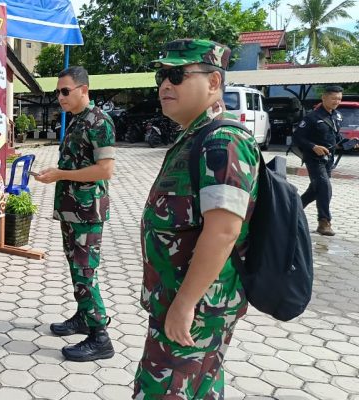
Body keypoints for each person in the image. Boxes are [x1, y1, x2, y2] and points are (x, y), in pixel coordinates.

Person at [133, 39, 260, 399]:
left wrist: (185, 304)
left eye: (177, 75)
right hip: (180, 302)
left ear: (214, 82)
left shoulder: (222, 141)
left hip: (196, 309)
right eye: (161, 76)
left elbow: (224, 231)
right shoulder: (195, 137)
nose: (164, 85)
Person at [33, 66, 117, 362]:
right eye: (57, 91)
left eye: (65, 91)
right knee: (76, 269)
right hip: (72, 211)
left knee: (86, 272)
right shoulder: (78, 120)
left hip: (87, 212)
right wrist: (56, 175)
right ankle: (84, 317)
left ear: (84, 90)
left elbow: (105, 169)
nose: (60, 96)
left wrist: (60, 174)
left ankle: (100, 337)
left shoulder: (99, 122)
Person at [293, 85, 356, 236]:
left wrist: (351, 142)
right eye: (333, 98)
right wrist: (313, 146)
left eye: (339, 99)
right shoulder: (311, 117)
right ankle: (324, 222)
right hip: (314, 159)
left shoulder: (337, 116)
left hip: (328, 160)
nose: (336, 102)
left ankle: (291, 211)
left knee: (315, 190)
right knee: (325, 187)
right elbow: (297, 138)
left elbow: (336, 138)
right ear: (324, 97)